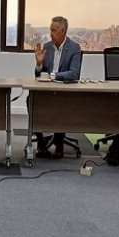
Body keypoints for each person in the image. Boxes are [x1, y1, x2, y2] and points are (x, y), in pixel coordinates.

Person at [32, 16, 82, 159]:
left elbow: (74, 73)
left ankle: (59, 143)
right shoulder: (47, 47)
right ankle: (41, 144)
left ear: (63, 31)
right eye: (50, 30)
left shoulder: (74, 48)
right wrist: (39, 64)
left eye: (53, 30)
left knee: (60, 105)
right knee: (31, 100)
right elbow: (38, 75)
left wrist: (53, 76)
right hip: (46, 91)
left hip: (63, 91)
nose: (51, 33)